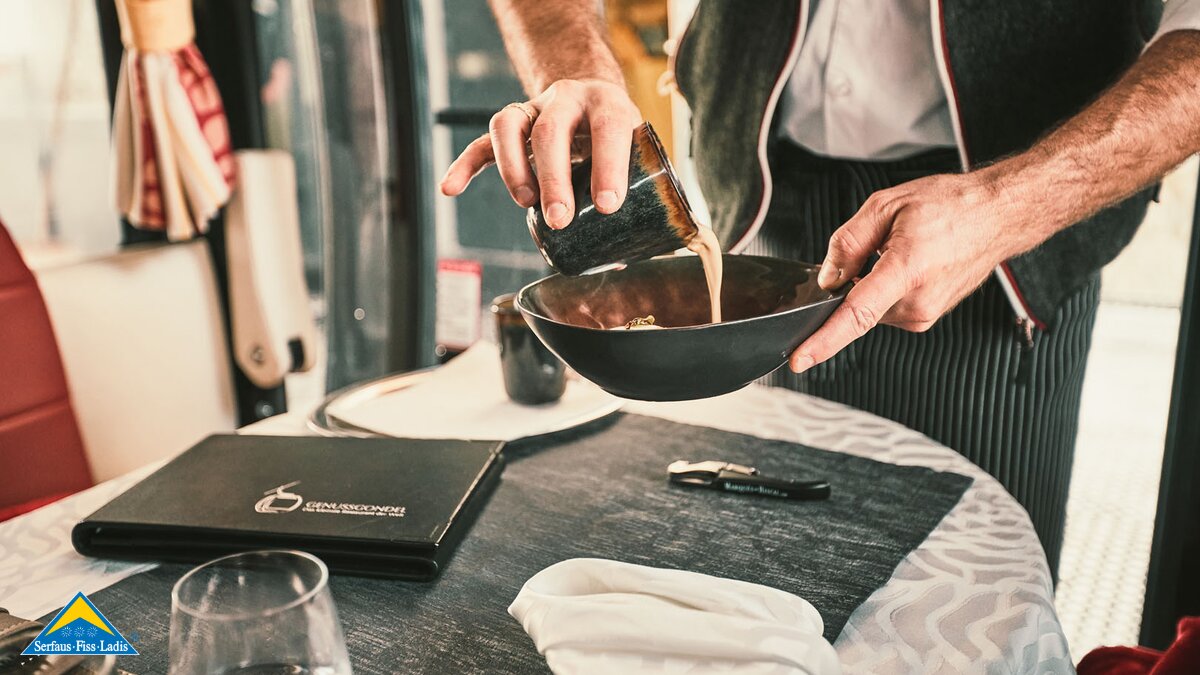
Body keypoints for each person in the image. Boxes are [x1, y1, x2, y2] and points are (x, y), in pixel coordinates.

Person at [440, 0, 1200, 575]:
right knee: (756, 568)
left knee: (961, 583)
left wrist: (1015, 205)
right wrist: (572, 69)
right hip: (764, 199)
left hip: (999, 224)